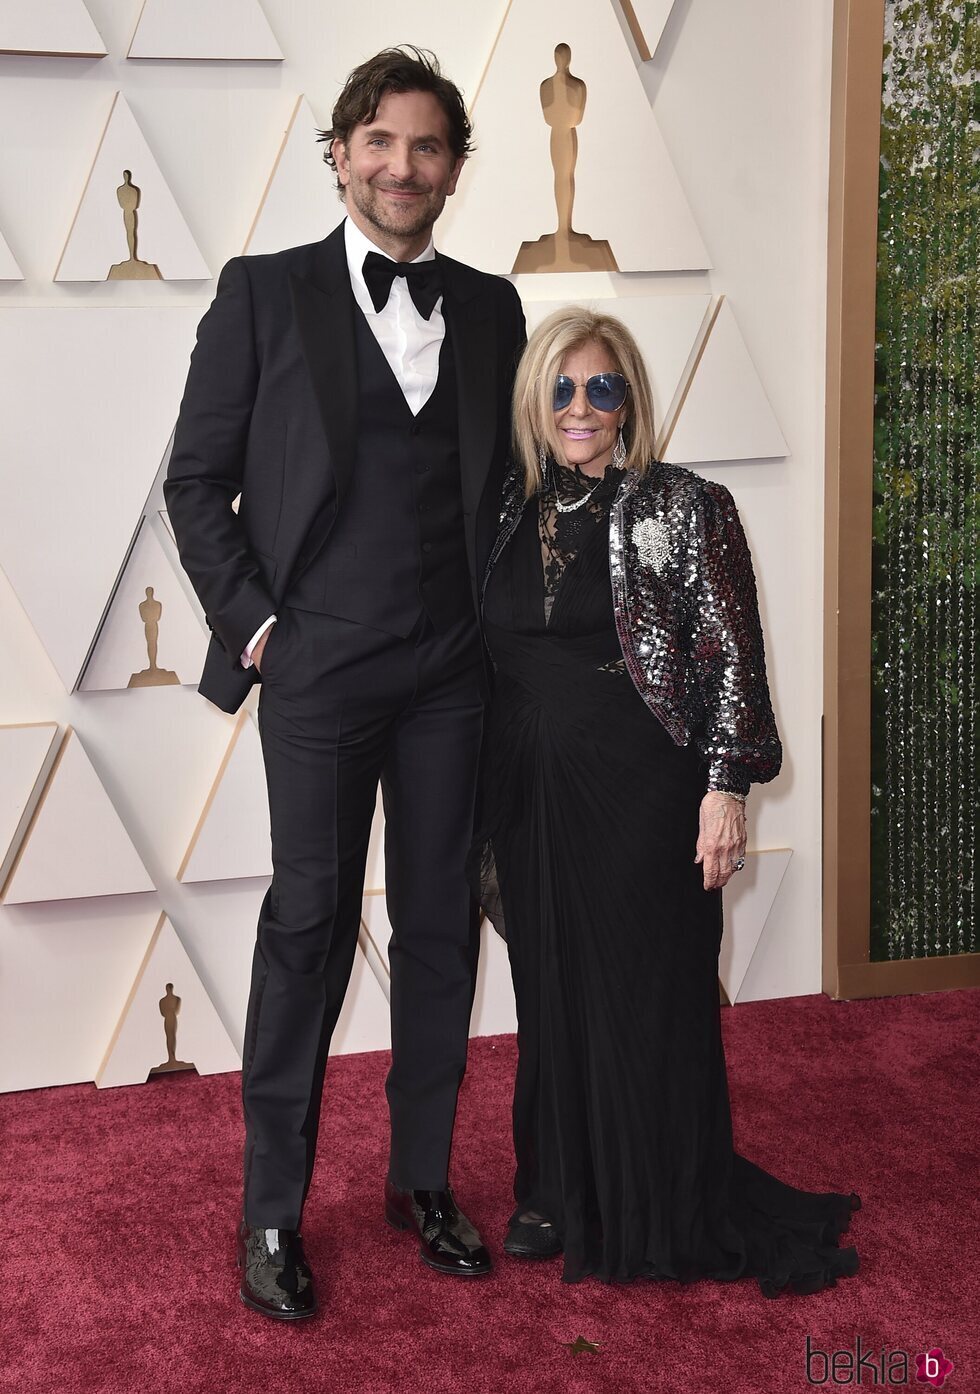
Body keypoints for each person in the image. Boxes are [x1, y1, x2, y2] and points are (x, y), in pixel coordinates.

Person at [164, 46, 525, 1320]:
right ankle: (272, 1206)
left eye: (426, 147)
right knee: (306, 932)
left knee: (437, 927)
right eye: (378, 143)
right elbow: (194, 484)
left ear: (453, 169)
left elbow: (505, 492)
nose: (400, 167)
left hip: (448, 673)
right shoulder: (262, 294)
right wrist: (261, 628)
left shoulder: (492, 308)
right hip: (316, 666)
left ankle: (419, 1180)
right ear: (339, 154)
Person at [475, 306, 860, 1294]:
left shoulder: (684, 506)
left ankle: (659, 1200)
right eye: (561, 388)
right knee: (548, 992)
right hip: (526, 792)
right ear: (534, 400)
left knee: (650, 994)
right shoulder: (502, 508)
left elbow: (733, 656)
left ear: (629, 400)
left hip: (643, 788)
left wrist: (723, 788)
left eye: (602, 387)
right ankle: (555, 1188)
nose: (580, 407)